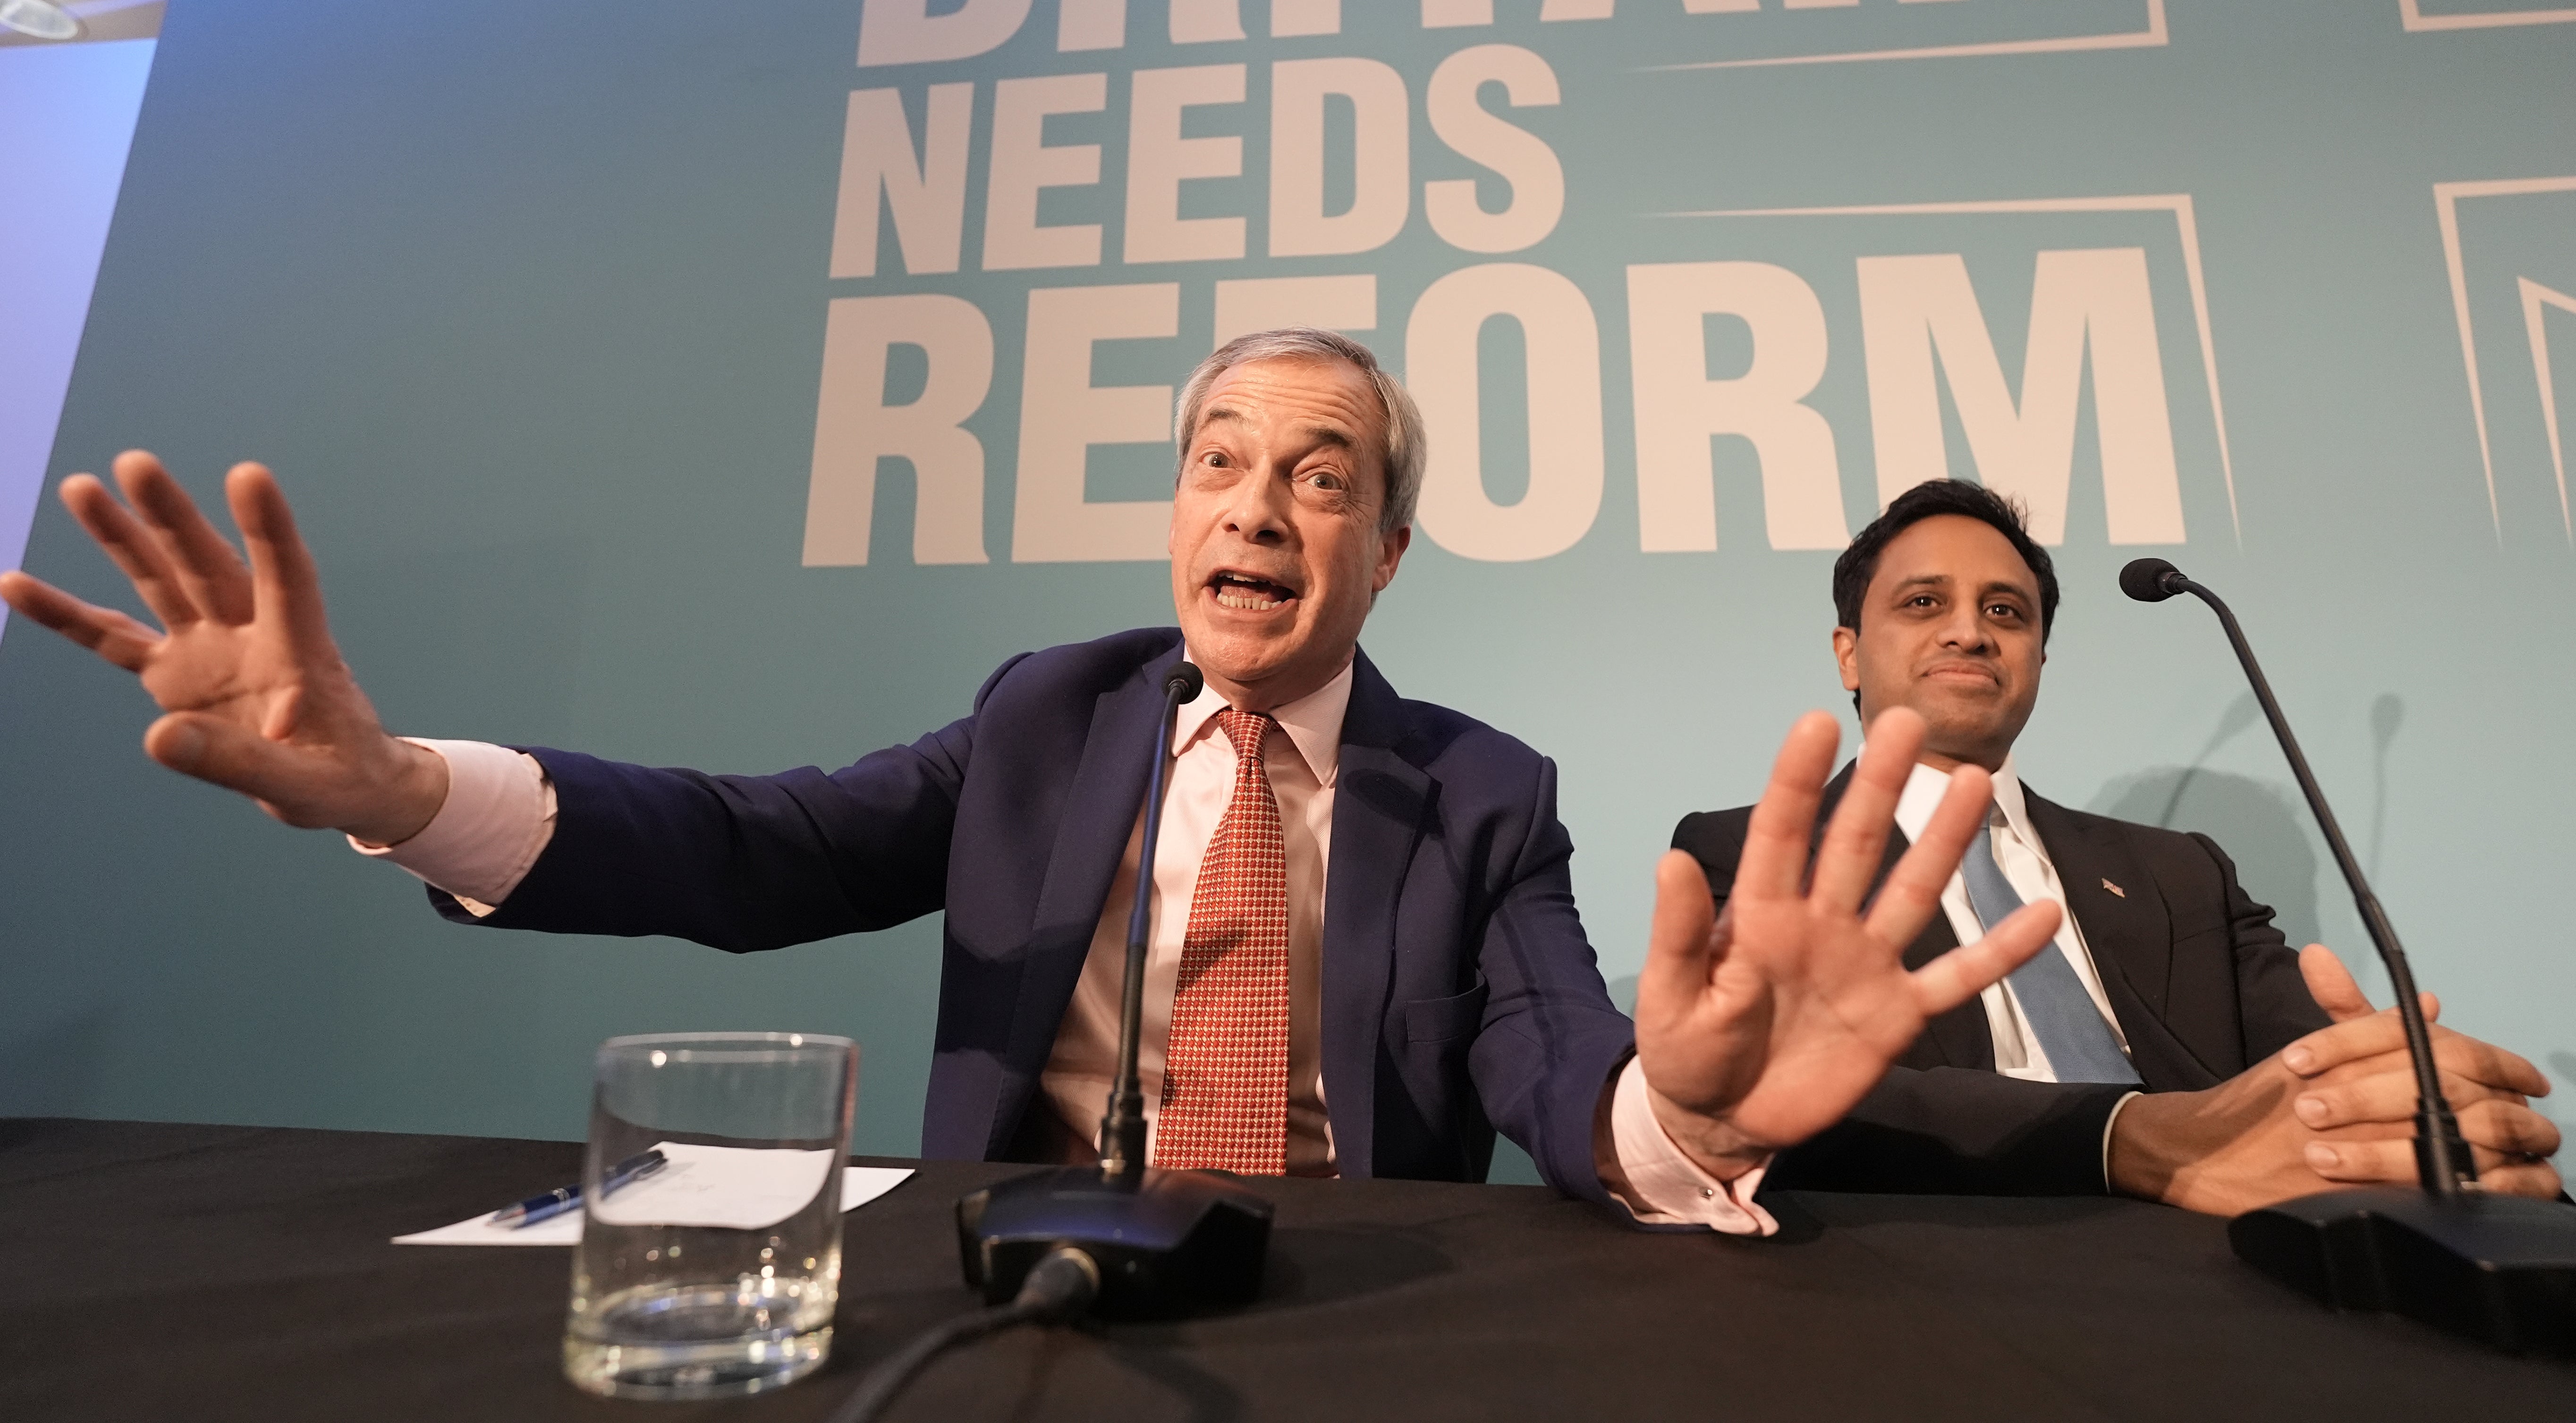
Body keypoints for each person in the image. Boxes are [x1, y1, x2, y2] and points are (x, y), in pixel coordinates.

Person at [1, 330, 2056, 1233]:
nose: (1259, 505)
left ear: (1386, 554)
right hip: (1018, 1265)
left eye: (1320, 477)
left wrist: (1670, 1110)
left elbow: (1555, 1053)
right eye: (1220, 462)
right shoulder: (1045, 718)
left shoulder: (1480, 790)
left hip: (1352, 1298)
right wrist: (389, 785)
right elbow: (748, 847)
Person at [1672, 478, 2562, 1212]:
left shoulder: (2181, 874)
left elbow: (2310, 1067)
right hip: (1936, 1269)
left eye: (2006, 611)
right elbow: (1779, 1094)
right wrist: (2127, 1138)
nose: (1970, 630)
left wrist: (2403, 1094)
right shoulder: (1746, 854)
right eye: (1922, 603)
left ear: (2040, 661)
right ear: (1849, 654)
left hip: (2224, 1270)